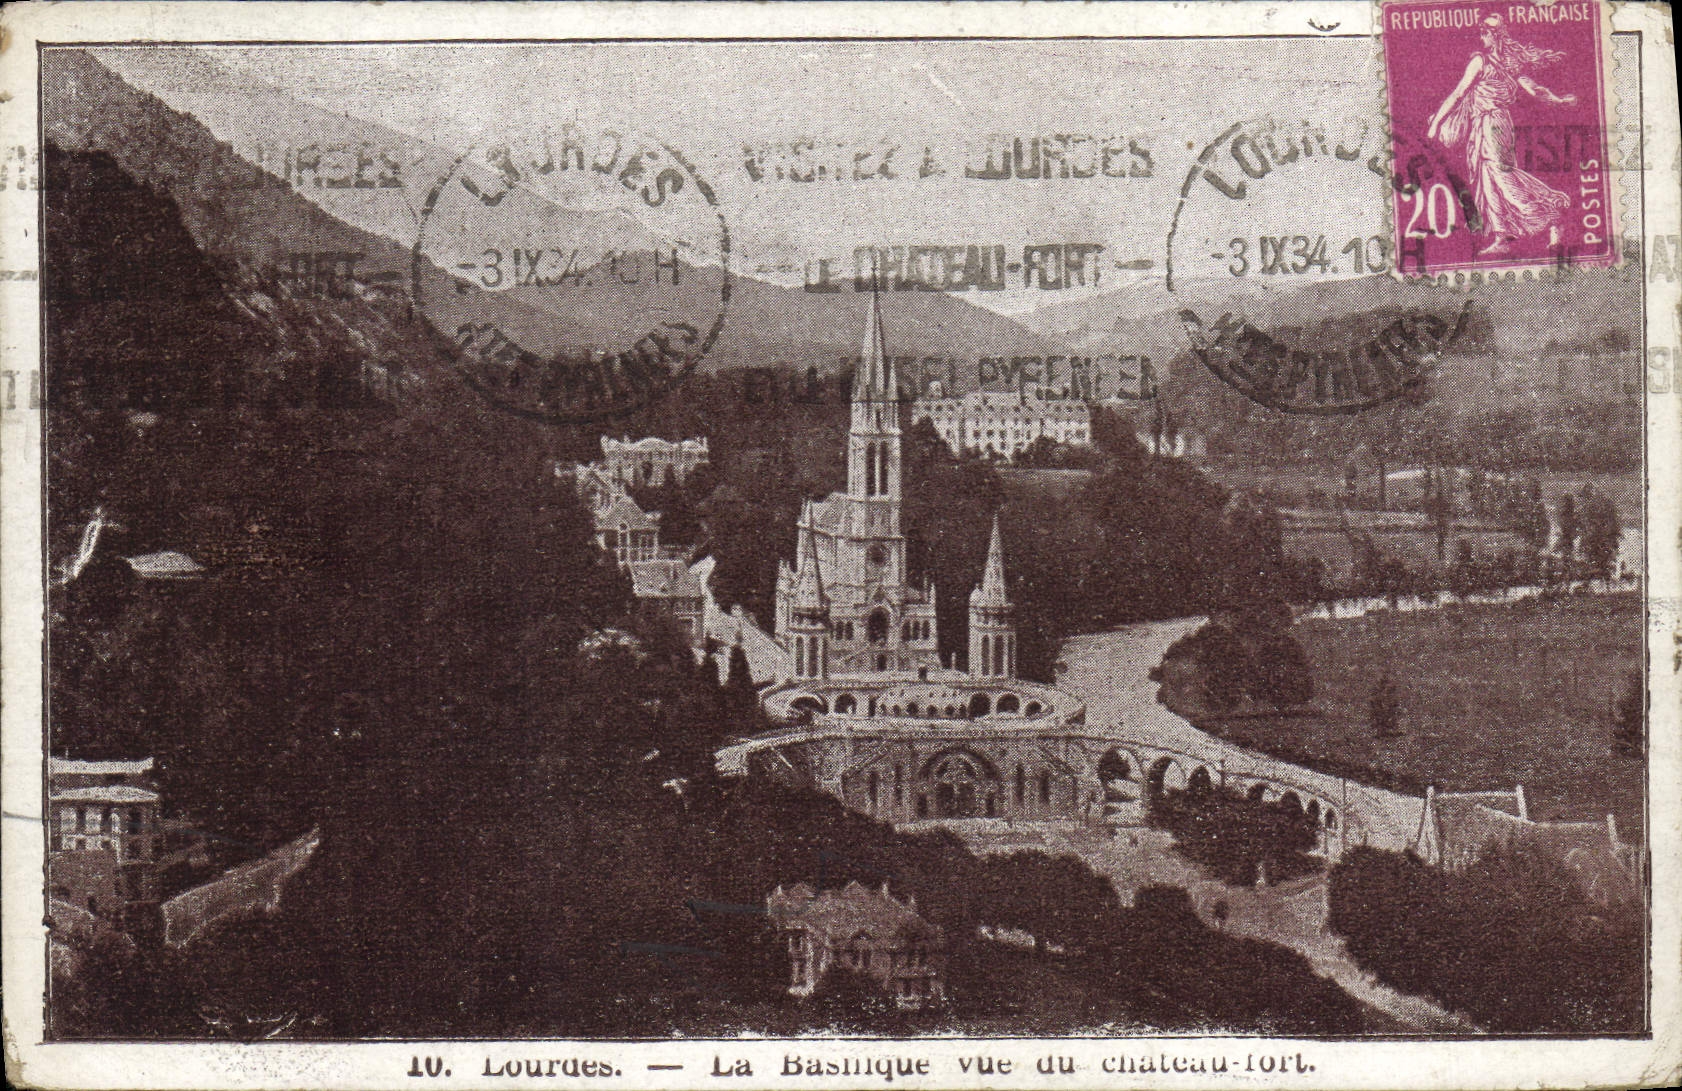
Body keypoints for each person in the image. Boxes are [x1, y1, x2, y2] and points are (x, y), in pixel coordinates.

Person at [1425, 14, 1578, 256]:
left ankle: (1552, 218)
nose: (1481, 37)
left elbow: (1458, 94)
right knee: (1488, 179)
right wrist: (1558, 100)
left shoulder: (1484, 62)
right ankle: (1502, 236)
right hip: (1486, 124)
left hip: (1493, 123)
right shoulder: (1505, 64)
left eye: (1484, 33)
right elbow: (1533, 89)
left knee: (1503, 176)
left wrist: (1435, 126)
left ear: (1494, 35)